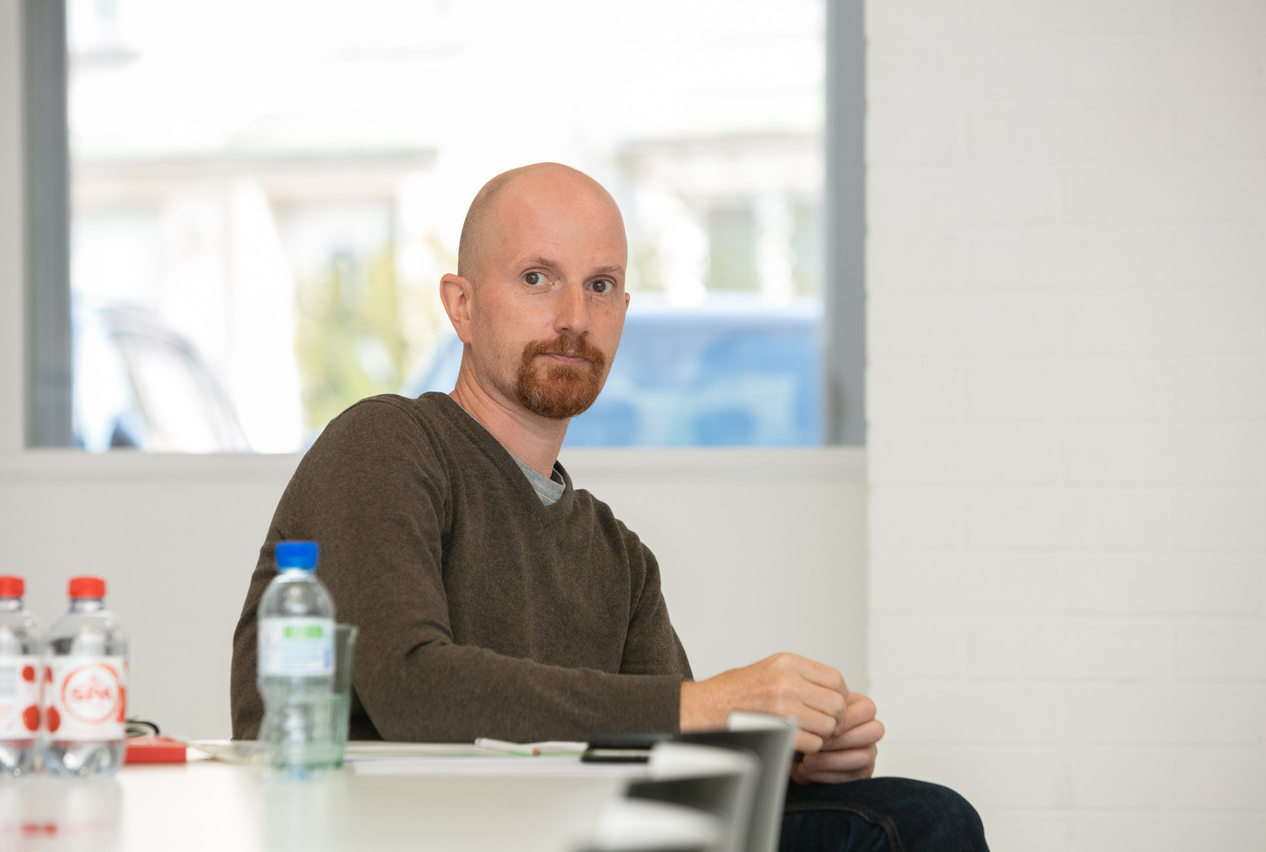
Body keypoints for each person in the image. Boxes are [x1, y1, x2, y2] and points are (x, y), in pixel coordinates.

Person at [231, 162, 987, 850]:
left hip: (569, 832)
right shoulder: (387, 444)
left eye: (599, 286)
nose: (573, 317)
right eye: (536, 278)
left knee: (912, 815)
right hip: (404, 834)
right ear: (462, 307)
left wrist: (794, 759)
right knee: (925, 826)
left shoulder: (615, 555)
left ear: (623, 309)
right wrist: (715, 705)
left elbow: (675, 750)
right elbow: (414, 689)